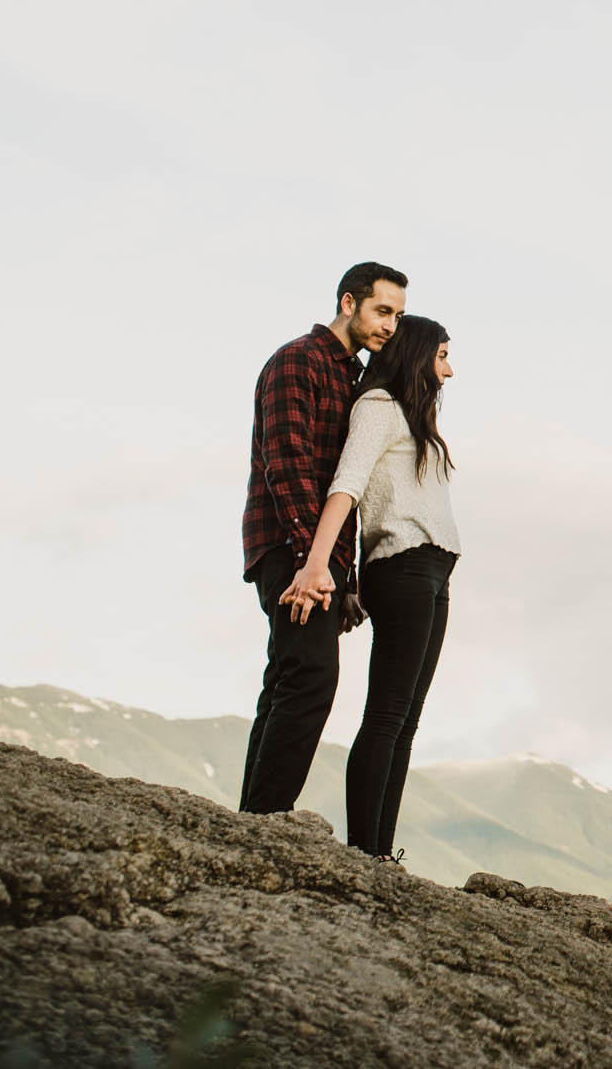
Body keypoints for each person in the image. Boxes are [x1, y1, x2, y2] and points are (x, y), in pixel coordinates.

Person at [284, 314, 460, 860]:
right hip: (402, 567)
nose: (450, 371)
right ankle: (364, 853)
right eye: (441, 356)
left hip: (432, 571)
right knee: (386, 716)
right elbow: (347, 486)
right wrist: (319, 566)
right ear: (417, 356)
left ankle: (381, 851)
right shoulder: (377, 409)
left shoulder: (412, 414)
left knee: (406, 719)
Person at [239, 261, 409, 814]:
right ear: (347, 303)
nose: (390, 326)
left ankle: (252, 820)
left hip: (316, 558)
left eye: (398, 316)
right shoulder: (298, 360)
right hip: (288, 548)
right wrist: (309, 564)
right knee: (311, 678)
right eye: (382, 311)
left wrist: (345, 576)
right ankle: (265, 822)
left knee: (288, 680)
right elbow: (286, 466)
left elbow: (346, 487)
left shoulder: (355, 380)